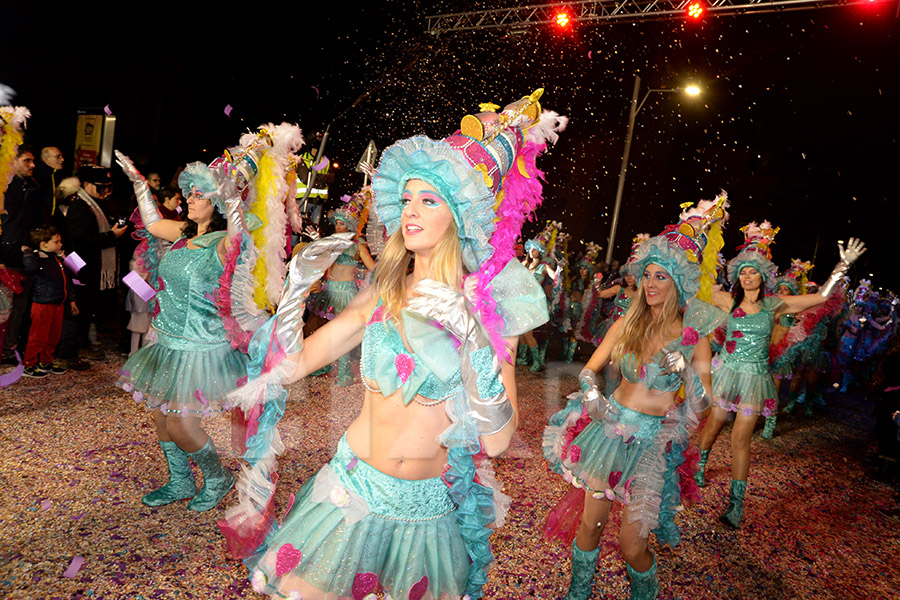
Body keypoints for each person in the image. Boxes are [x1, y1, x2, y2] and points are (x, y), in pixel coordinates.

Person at [221, 90, 564, 599]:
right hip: (352, 488)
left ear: (461, 216)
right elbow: (293, 366)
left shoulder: (491, 315)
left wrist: (474, 345)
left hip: (430, 510)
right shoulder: (382, 292)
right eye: (407, 198)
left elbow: (496, 442)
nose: (411, 211)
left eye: (429, 200)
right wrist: (294, 293)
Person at [543, 196, 728, 600]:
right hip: (610, 433)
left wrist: (687, 375)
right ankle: (578, 593)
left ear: (679, 283)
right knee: (589, 527)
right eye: (647, 275)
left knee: (633, 545)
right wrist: (591, 393)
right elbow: (591, 368)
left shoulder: (693, 336)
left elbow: (705, 405)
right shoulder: (628, 320)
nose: (651, 284)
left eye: (661, 277)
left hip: (652, 446)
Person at [695, 222, 866, 528]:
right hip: (727, 371)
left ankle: (736, 505)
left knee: (740, 440)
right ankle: (700, 465)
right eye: (743, 271)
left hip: (754, 378)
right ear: (737, 275)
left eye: (753, 271)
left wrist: (841, 266)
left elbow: (821, 298)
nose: (747, 276)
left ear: (763, 276)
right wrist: (698, 238)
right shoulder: (726, 300)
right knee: (713, 424)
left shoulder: (774, 304)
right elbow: (695, 283)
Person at [64, 165, 128, 359]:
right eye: (100, 187)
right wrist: (112, 235)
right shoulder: (80, 206)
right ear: (85, 184)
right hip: (82, 266)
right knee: (80, 308)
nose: (105, 192)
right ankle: (74, 348)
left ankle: (85, 343)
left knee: (90, 307)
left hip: (94, 266)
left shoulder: (96, 204)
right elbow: (82, 240)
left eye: (108, 187)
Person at [312, 190, 375, 385]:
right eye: (337, 223)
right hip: (329, 290)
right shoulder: (333, 243)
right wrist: (317, 243)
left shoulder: (357, 246)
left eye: (341, 223)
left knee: (343, 333)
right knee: (329, 330)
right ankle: (326, 363)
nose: (338, 227)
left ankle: (345, 373)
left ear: (349, 225)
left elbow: (373, 268)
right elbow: (322, 262)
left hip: (345, 292)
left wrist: (364, 279)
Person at [0, 146, 43, 361]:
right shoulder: (4, 188)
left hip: (24, 255)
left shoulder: (32, 187)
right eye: (27, 160)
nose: (32, 165)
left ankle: (8, 348)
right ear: (13, 161)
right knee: (4, 308)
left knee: (18, 307)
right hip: (6, 256)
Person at [20, 225, 78, 377]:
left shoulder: (56, 259)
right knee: (38, 336)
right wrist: (27, 253)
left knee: (53, 336)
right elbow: (31, 268)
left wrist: (71, 299)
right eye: (56, 242)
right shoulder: (38, 258)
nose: (60, 244)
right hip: (43, 303)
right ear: (43, 244)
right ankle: (29, 364)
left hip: (57, 302)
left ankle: (46, 361)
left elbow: (71, 277)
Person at [517, 220, 560, 371]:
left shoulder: (543, 266)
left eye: (535, 250)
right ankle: (522, 358)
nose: (531, 251)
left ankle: (537, 361)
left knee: (528, 333)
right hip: (521, 301)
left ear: (540, 252)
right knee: (521, 333)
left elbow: (555, 278)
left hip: (533, 303)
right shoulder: (524, 264)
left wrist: (560, 269)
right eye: (530, 249)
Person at [35, 146, 66, 219]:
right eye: (57, 157)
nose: (62, 160)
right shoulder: (37, 175)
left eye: (62, 157)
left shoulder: (61, 175)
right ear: (46, 159)